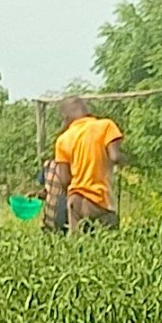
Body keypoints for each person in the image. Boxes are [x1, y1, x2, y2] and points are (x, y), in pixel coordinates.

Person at [48, 99, 126, 234]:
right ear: (87, 111)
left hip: (74, 201)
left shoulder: (63, 139)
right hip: (100, 201)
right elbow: (115, 157)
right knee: (109, 245)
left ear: (67, 117)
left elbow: (64, 180)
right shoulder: (106, 126)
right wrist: (125, 159)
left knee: (78, 248)